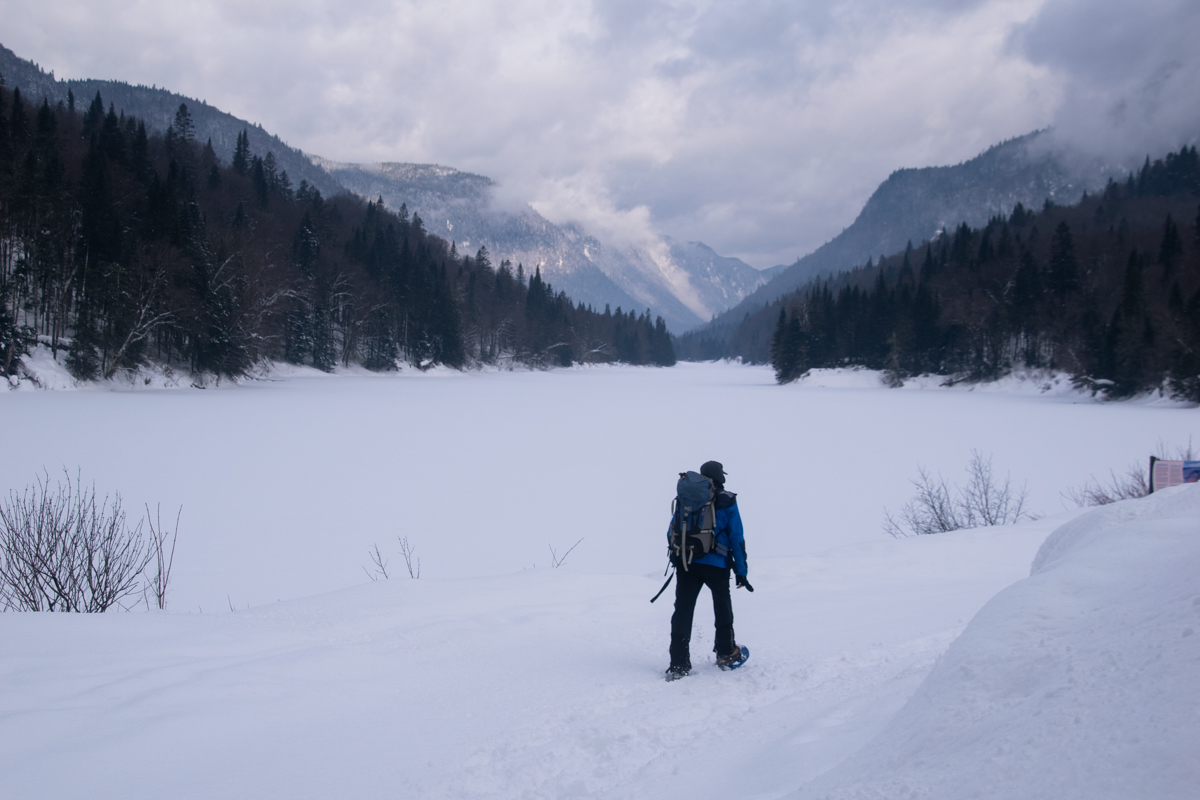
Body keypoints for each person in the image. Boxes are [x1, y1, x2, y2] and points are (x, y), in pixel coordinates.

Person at [666, 460, 749, 680]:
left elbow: (672, 528)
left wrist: (678, 555)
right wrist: (741, 571)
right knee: (722, 607)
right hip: (717, 565)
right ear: (720, 476)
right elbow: (736, 537)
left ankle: (679, 664)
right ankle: (726, 652)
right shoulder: (727, 500)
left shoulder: (687, 497)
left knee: (682, 611)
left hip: (687, 562)